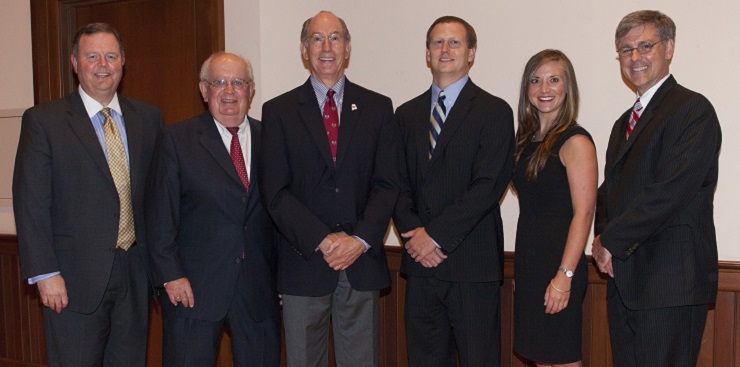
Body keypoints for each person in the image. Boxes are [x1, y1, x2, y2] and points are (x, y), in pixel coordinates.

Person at [12, 23, 162, 366]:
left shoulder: (149, 118)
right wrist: (45, 273)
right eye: (92, 56)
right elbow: (31, 202)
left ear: (123, 62)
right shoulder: (44, 121)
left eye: (111, 56)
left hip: (136, 274)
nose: (102, 65)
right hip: (72, 280)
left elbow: (157, 197)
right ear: (75, 63)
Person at [260, 10, 399, 367]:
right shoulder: (278, 111)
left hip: (360, 263)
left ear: (347, 47)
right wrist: (323, 240)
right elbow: (275, 192)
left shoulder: (378, 108)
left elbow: (387, 184)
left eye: (335, 38)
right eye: (317, 39)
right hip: (304, 262)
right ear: (304, 50)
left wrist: (358, 240)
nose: (326, 46)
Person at [592, 10, 722, 367]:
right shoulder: (623, 124)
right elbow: (610, 191)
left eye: (644, 46)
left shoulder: (693, 111)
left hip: (670, 284)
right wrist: (602, 239)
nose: (634, 57)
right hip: (626, 282)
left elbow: (669, 191)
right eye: (625, 49)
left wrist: (610, 242)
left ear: (669, 48)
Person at [393, 16, 515, 367]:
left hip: (471, 266)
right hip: (420, 268)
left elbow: (489, 185)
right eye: (437, 43)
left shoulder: (494, 111)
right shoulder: (406, 114)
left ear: (471, 52)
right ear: (427, 54)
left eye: (455, 43)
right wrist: (417, 239)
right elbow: (394, 184)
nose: (445, 50)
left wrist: (436, 236)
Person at [146, 52, 280, 366]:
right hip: (193, 290)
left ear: (251, 89)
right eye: (219, 82)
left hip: (259, 290)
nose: (229, 91)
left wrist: (283, 280)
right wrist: (171, 276)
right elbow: (159, 214)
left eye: (238, 82)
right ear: (204, 90)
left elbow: (282, 212)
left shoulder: (272, 138)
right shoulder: (176, 140)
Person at [511, 50, 597, 367]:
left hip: (561, 265)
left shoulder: (575, 142)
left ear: (567, 87)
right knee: (540, 358)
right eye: (536, 80)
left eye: (554, 79)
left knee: (561, 360)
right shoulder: (525, 141)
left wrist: (564, 275)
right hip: (531, 265)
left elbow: (584, 214)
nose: (544, 88)